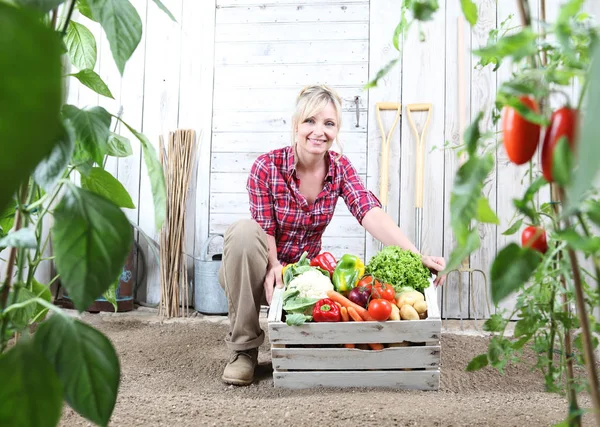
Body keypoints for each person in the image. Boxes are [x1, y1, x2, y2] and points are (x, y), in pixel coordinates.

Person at [218, 84, 446, 386]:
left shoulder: (339, 169)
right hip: (257, 272)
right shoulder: (267, 166)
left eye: (329, 123)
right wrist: (274, 266)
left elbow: (368, 211)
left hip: (303, 276)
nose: (319, 131)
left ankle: (297, 342)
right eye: (310, 121)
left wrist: (416, 255)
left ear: (337, 129)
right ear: (296, 124)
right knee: (244, 232)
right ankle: (244, 351)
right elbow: (264, 227)